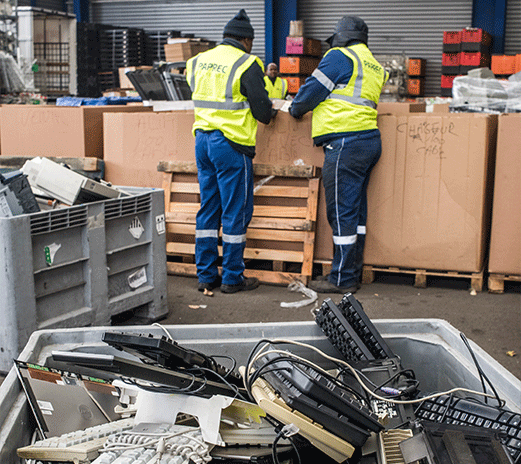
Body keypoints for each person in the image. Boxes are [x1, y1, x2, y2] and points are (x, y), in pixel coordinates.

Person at [288, 15, 388, 294]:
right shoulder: (374, 65)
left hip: (345, 142)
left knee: (341, 211)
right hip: (368, 140)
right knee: (355, 213)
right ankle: (351, 272)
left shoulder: (340, 57)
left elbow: (310, 94)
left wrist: (295, 109)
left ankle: (342, 279)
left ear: (342, 37)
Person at [186, 9, 276, 294]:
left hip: (202, 142)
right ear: (246, 41)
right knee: (235, 212)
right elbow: (263, 113)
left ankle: (205, 275)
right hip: (232, 146)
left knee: (208, 209)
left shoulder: (198, 60)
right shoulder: (247, 62)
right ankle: (232, 277)